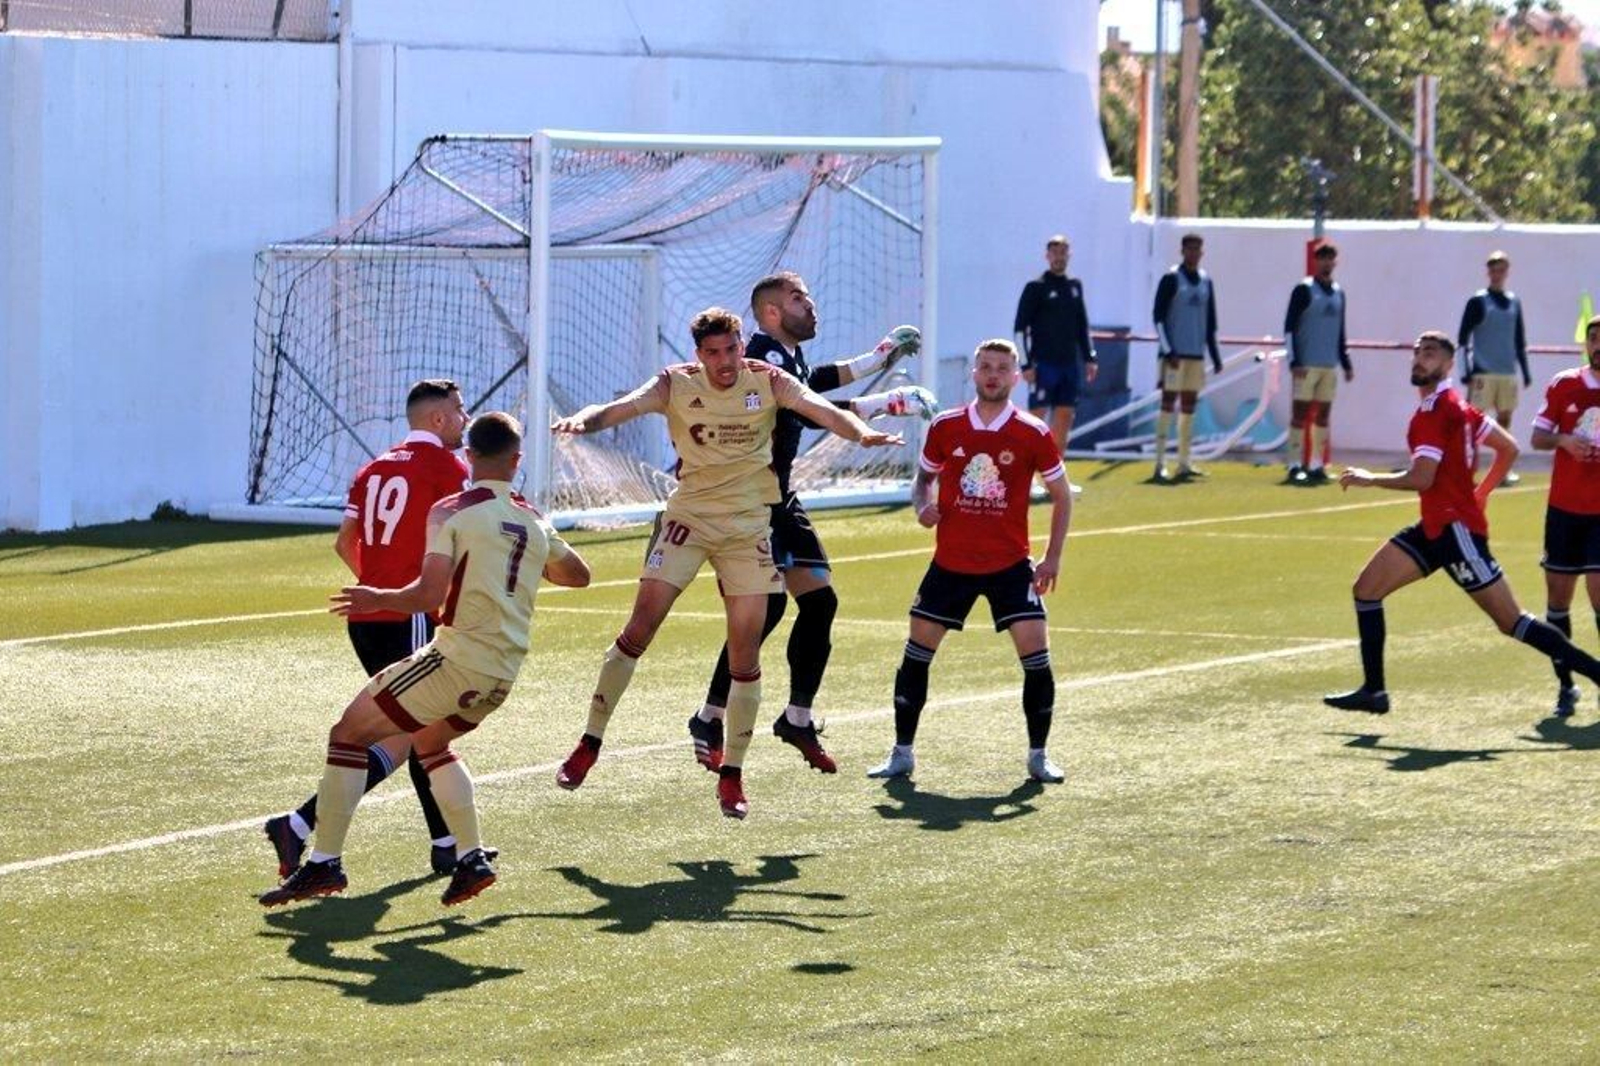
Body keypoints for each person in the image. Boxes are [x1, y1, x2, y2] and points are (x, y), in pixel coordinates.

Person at [550, 307, 901, 819]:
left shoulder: (769, 379)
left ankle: (732, 775)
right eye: (713, 353)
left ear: (742, 344)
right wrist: (586, 419)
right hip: (688, 519)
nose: (724, 362)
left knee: (745, 655)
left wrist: (859, 434)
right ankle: (589, 743)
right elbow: (621, 406)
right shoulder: (675, 383)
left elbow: (821, 409)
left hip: (746, 529)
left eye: (731, 349)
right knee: (639, 629)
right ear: (699, 355)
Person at [259, 412, 591, 907]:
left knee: (347, 733)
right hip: (503, 673)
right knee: (431, 742)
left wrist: (377, 598)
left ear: (469, 456)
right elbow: (579, 575)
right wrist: (524, 564)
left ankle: (324, 862)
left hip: (456, 659)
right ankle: (469, 856)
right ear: (517, 461)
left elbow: (427, 594)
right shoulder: (533, 518)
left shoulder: (451, 511)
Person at [689, 271, 930, 776]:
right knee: (770, 609)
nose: (811, 305)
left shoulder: (783, 355)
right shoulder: (759, 356)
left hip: (779, 497)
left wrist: (878, 359)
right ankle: (710, 716)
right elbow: (809, 407)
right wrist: (885, 400)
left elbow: (814, 382)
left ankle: (795, 717)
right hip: (750, 502)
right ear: (773, 312)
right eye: (799, 298)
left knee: (817, 604)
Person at [1323, 331, 1600, 714]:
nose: (1420, 359)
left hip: (1455, 534)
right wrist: (1481, 492)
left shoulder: (1438, 411)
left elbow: (1423, 477)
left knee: (1512, 622)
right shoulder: (1458, 407)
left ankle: (1596, 675)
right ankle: (1374, 691)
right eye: (1417, 352)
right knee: (1366, 589)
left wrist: (1370, 478)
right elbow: (1509, 447)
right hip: (1435, 527)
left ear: (1449, 364)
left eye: (1431, 353)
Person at [264, 379, 474, 881]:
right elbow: (467, 539)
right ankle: (300, 822)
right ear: (439, 419)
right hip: (410, 617)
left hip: (367, 617)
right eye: (460, 410)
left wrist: (374, 585)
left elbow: (345, 541)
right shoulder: (449, 467)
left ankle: (448, 845)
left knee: (417, 729)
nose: (465, 419)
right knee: (420, 731)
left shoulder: (372, 467)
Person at [866, 339, 1073, 782]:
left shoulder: (1032, 432)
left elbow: (1061, 496)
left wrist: (1052, 559)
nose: (993, 374)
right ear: (973, 373)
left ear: (1015, 377)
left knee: (1036, 651)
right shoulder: (946, 426)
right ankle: (901, 753)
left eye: (1002, 368)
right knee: (917, 651)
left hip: (1010, 564)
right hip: (951, 564)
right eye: (985, 367)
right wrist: (922, 506)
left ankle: (1039, 757)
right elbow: (924, 480)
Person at [1529, 315, 1600, 718]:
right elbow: (1538, 437)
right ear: (1586, 344)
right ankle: (1566, 686)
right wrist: (1564, 441)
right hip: (1564, 510)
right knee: (1558, 599)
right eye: (1593, 338)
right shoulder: (1564, 384)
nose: (1598, 344)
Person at [1015, 235, 1097, 456]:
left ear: (1069, 255)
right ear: (1047, 256)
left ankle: (1056, 480)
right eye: (1055, 253)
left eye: (1063, 252)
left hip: (1069, 365)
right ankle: (1027, 479)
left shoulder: (1074, 286)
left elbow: (1082, 325)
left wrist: (1089, 357)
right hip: (1043, 365)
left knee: (1064, 419)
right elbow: (1020, 329)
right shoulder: (1036, 287)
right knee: (1035, 421)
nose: (1059, 257)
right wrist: (1025, 365)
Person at [1150, 234, 1223, 481]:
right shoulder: (1171, 279)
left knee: (1190, 407)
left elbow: (1210, 321)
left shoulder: (1205, 281)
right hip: (1175, 356)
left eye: (1197, 249)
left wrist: (1214, 354)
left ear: (1202, 252)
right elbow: (1158, 317)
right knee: (1168, 405)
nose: (1193, 253)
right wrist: (1168, 350)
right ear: (1182, 250)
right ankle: (1160, 462)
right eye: (1189, 248)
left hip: (1196, 355)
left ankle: (1184, 462)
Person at [1458, 251, 1531, 486]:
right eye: (1493, 270)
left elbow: (1519, 340)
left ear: (1507, 272)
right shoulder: (1478, 301)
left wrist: (1525, 371)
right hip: (1483, 372)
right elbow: (1462, 338)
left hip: (1507, 372)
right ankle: (1467, 470)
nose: (1497, 274)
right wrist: (1465, 371)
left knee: (1505, 420)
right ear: (1488, 272)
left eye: (1501, 270)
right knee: (1474, 423)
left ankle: (1501, 471)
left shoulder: (1514, 302)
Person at [1283, 243, 1352, 484]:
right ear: (1315, 261)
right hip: (1306, 364)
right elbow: (1289, 328)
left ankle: (1316, 464)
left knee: (1323, 415)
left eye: (1330, 259)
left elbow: (1340, 331)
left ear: (1335, 262)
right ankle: (1293, 464)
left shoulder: (1338, 292)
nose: (1326, 263)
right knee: (1299, 414)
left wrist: (1345, 362)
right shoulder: (1303, 290)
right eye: (1322, 258)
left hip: (1328, 365)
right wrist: (1294, 360)